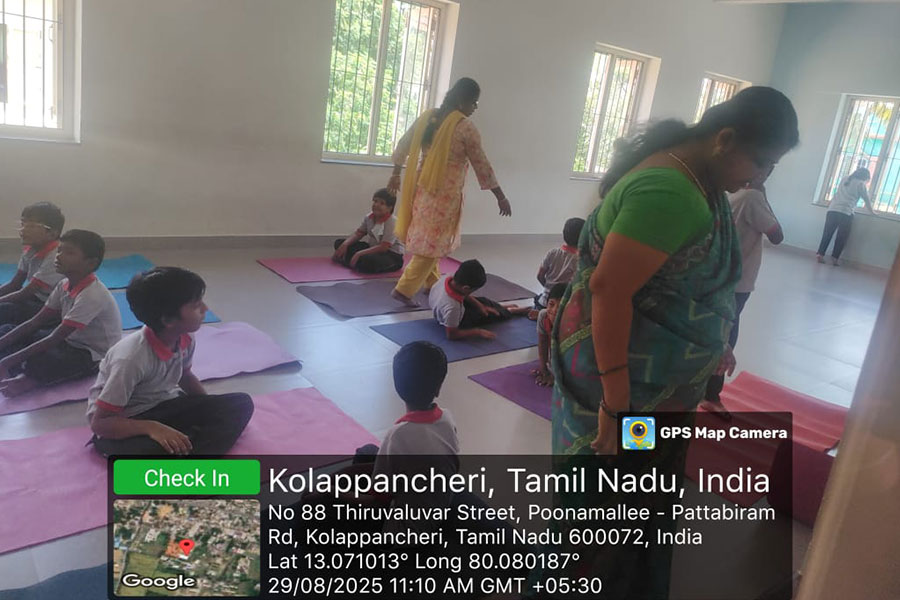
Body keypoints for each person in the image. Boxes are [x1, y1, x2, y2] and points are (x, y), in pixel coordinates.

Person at [549, 87, 799, 598]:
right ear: (724, 139)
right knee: (608, 504)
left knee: (636, 498)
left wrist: (709, 337)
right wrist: (616, 407)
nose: (759, 178)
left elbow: (678, 288)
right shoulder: (670, 192)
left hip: (651, 391)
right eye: (760, 162)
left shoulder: (698, 179)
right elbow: (609, 290)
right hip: (628, 393)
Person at [87, 267, 253, 456]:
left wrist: (208, 407)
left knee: (241, 403)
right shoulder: (130, 358)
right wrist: (152, 428)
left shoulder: (185, 337)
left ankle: (186, 452)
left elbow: (185, 376)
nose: (205, 309)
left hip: (165, 406)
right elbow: (101, 424)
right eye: (196, 305)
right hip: (126, 422)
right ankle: (191, 451)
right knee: (147, 450)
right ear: (168, 320)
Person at [387, 77, 512, 307]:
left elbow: (403, 145)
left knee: (430, 239)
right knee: (432, 243)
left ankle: (431, 283)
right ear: (463, 101)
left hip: (422, 191)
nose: (475, 107)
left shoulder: (429, 118)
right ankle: (403, 290)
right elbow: (482, 165)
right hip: (444, 196)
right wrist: (500, 196)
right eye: (474, 102)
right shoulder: (465, 127)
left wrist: (396, 173)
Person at [702, 168, 784, 417]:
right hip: (738, 280)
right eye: (766, 168)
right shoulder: (752, 197)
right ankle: (711, 396)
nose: (767, 174)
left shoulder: (730, 194)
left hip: (719, 274)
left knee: (716, 331)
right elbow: (777, 235)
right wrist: (764, 196)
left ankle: (702, 388)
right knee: (727, 336)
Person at [0, 230, 120, 397]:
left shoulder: (92, 295)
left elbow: (54, 338)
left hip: (91, 353)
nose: (59, 256)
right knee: (8, 331)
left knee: (48, 361)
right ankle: (20, 367)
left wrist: (6, 362)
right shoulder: (63, 284)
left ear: (91, 263)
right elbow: (35, 322)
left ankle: (27, 379)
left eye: (69, 253)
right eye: (59, 250)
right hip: (67, 340)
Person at [429, 259, 529, 341]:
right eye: (473, 290)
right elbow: (452, 335)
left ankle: (500, 307)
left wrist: (480, 306)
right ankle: (510, 311)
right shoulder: (453, 308)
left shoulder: (450, 277)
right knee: (487, 316)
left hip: (447, 303)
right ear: (466, 288)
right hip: (455, 318)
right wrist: (478, 332)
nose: (472, 292)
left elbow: (464, 295)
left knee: (483, 301)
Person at [0, 202, 65, 326]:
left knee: (5, 311)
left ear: (52, 233)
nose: (23, 230)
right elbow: (15, 284)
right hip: (33, 297)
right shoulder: (31, 249)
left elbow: (26, 292)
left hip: (49, 307)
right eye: (23, 224)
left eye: (32, 226)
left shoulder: (55, 256)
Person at [332, 188, 405, 274]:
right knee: (339, 243)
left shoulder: (392, 222)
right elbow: (359, 233)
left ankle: (353, 261)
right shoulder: (369, 217)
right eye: (375, 201)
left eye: (382, 203)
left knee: (368, 260)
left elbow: (384, 247)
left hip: (390, 255)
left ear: (389, 208)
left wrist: (359, 254)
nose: (376, 205)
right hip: (372, 248)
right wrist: (345, 244)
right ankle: (355, 262)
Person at [816, 167, 874, 266]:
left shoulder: (845, 178)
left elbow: (838, 193)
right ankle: (834, 258)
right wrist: (872, 212)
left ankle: (820, 254)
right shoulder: (861, 184)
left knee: (827, 234)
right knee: (841, 237)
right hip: (846, 212)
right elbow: (866, 199)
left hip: (832, 210)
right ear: (865, 177)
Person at [535, 218, 584, 309]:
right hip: (561, 307)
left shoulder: (552, 252)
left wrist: (548, 289)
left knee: (537, 299)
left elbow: (539, 275)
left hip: (544, 302)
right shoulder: (578, 260)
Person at [531, 283, 567, 387]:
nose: (555, 310)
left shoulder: (574, 323)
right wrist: (544, 370)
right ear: (546, 304)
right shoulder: (543, 316)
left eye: (561, 307)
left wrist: (557, 376)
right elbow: (542, 343)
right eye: (551, 304)